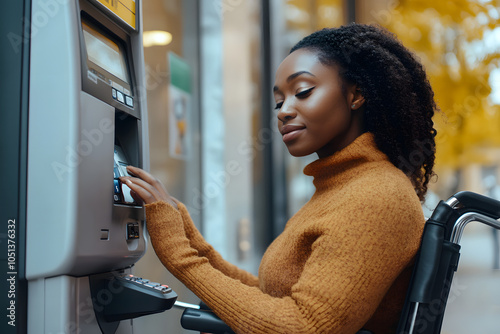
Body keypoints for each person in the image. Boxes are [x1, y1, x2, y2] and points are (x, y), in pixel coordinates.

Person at [121, 23, 437, 334]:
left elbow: (305, 326)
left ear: (356, 94)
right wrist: (191, 241)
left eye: (302, 92)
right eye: (278, 101)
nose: (284, 111)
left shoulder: (376, 198)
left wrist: (180, 255)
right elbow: (275, 295)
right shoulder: (343, 186)